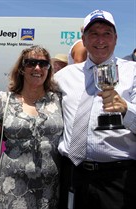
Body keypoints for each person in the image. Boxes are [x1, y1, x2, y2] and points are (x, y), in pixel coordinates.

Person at [54, 9, 136, 209]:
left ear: (116, 38)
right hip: (73, 174)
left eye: (107, 33)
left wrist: (126, 110)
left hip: (117, 179)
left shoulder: (132, 73)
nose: (101, 40)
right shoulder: (63, 77)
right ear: (84, 39)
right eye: (94, 34)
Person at [0, 45, 63, 208]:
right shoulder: (4, 100)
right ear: (21, 68)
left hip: (50, 192)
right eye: (31, 63)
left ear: (48, 69)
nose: (37, 68)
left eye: (43, 64)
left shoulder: (59, 100)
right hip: (12, 190)